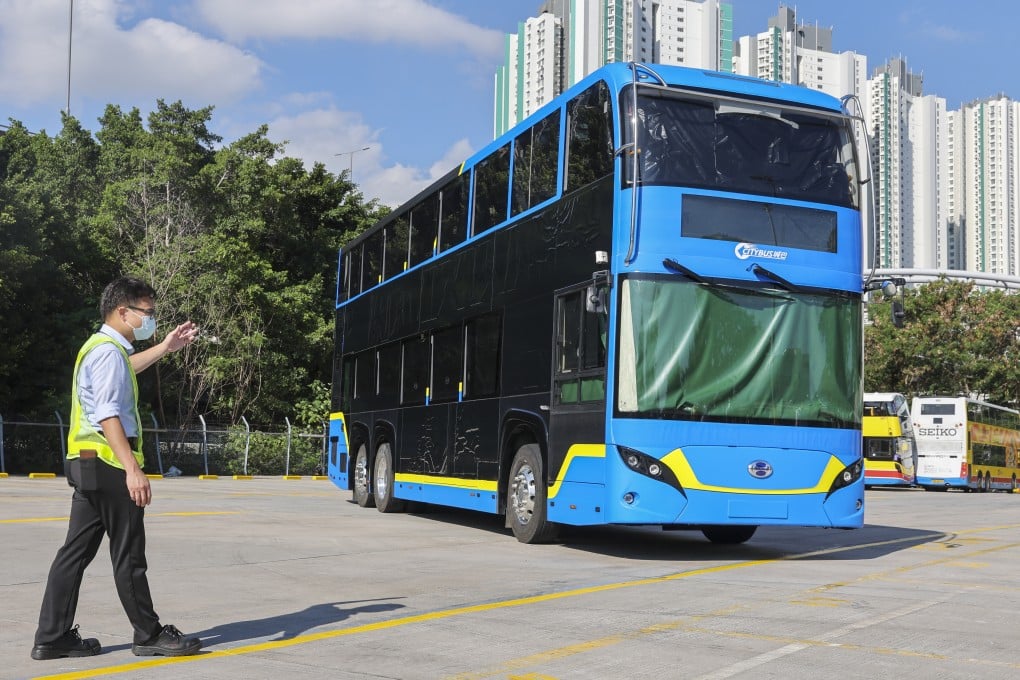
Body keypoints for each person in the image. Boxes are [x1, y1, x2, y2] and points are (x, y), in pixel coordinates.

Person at [32, 276, 203, 660]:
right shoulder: (109, 352)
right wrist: (132, 469)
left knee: (73, 554)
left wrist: (165, 346)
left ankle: (52, 636)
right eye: (148, 313)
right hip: (110, 463)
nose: (151, 318)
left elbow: (127, 368)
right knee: (128, 553)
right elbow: (108, 412)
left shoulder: (103, 349)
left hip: (87, 463)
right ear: (123, 311)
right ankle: (148, 634)